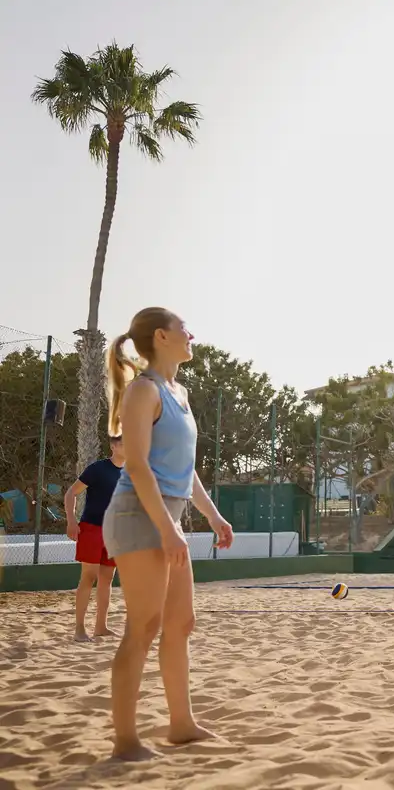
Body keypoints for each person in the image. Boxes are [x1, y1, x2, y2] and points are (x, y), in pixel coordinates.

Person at [102, 307, 234, 761]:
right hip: (138, 517)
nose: (191, 334)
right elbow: (136, 464)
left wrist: (213, 517)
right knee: (144, 627)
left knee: (181, 624)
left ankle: (181, 725)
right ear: (161, 336)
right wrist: (167, 528)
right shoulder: (143, 390)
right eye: (183, 329)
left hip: (166, 519)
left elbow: (184, 469)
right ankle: (126, 741)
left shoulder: (179, 393)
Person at [64, 435, 126, 642]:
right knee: (88, 577)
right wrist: (72, 521)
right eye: (123, 443)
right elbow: (71, 493)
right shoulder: (98, 469)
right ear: (113, 446)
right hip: (91, 528)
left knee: (107, 580)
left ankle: (101, 627)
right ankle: (79, 629)